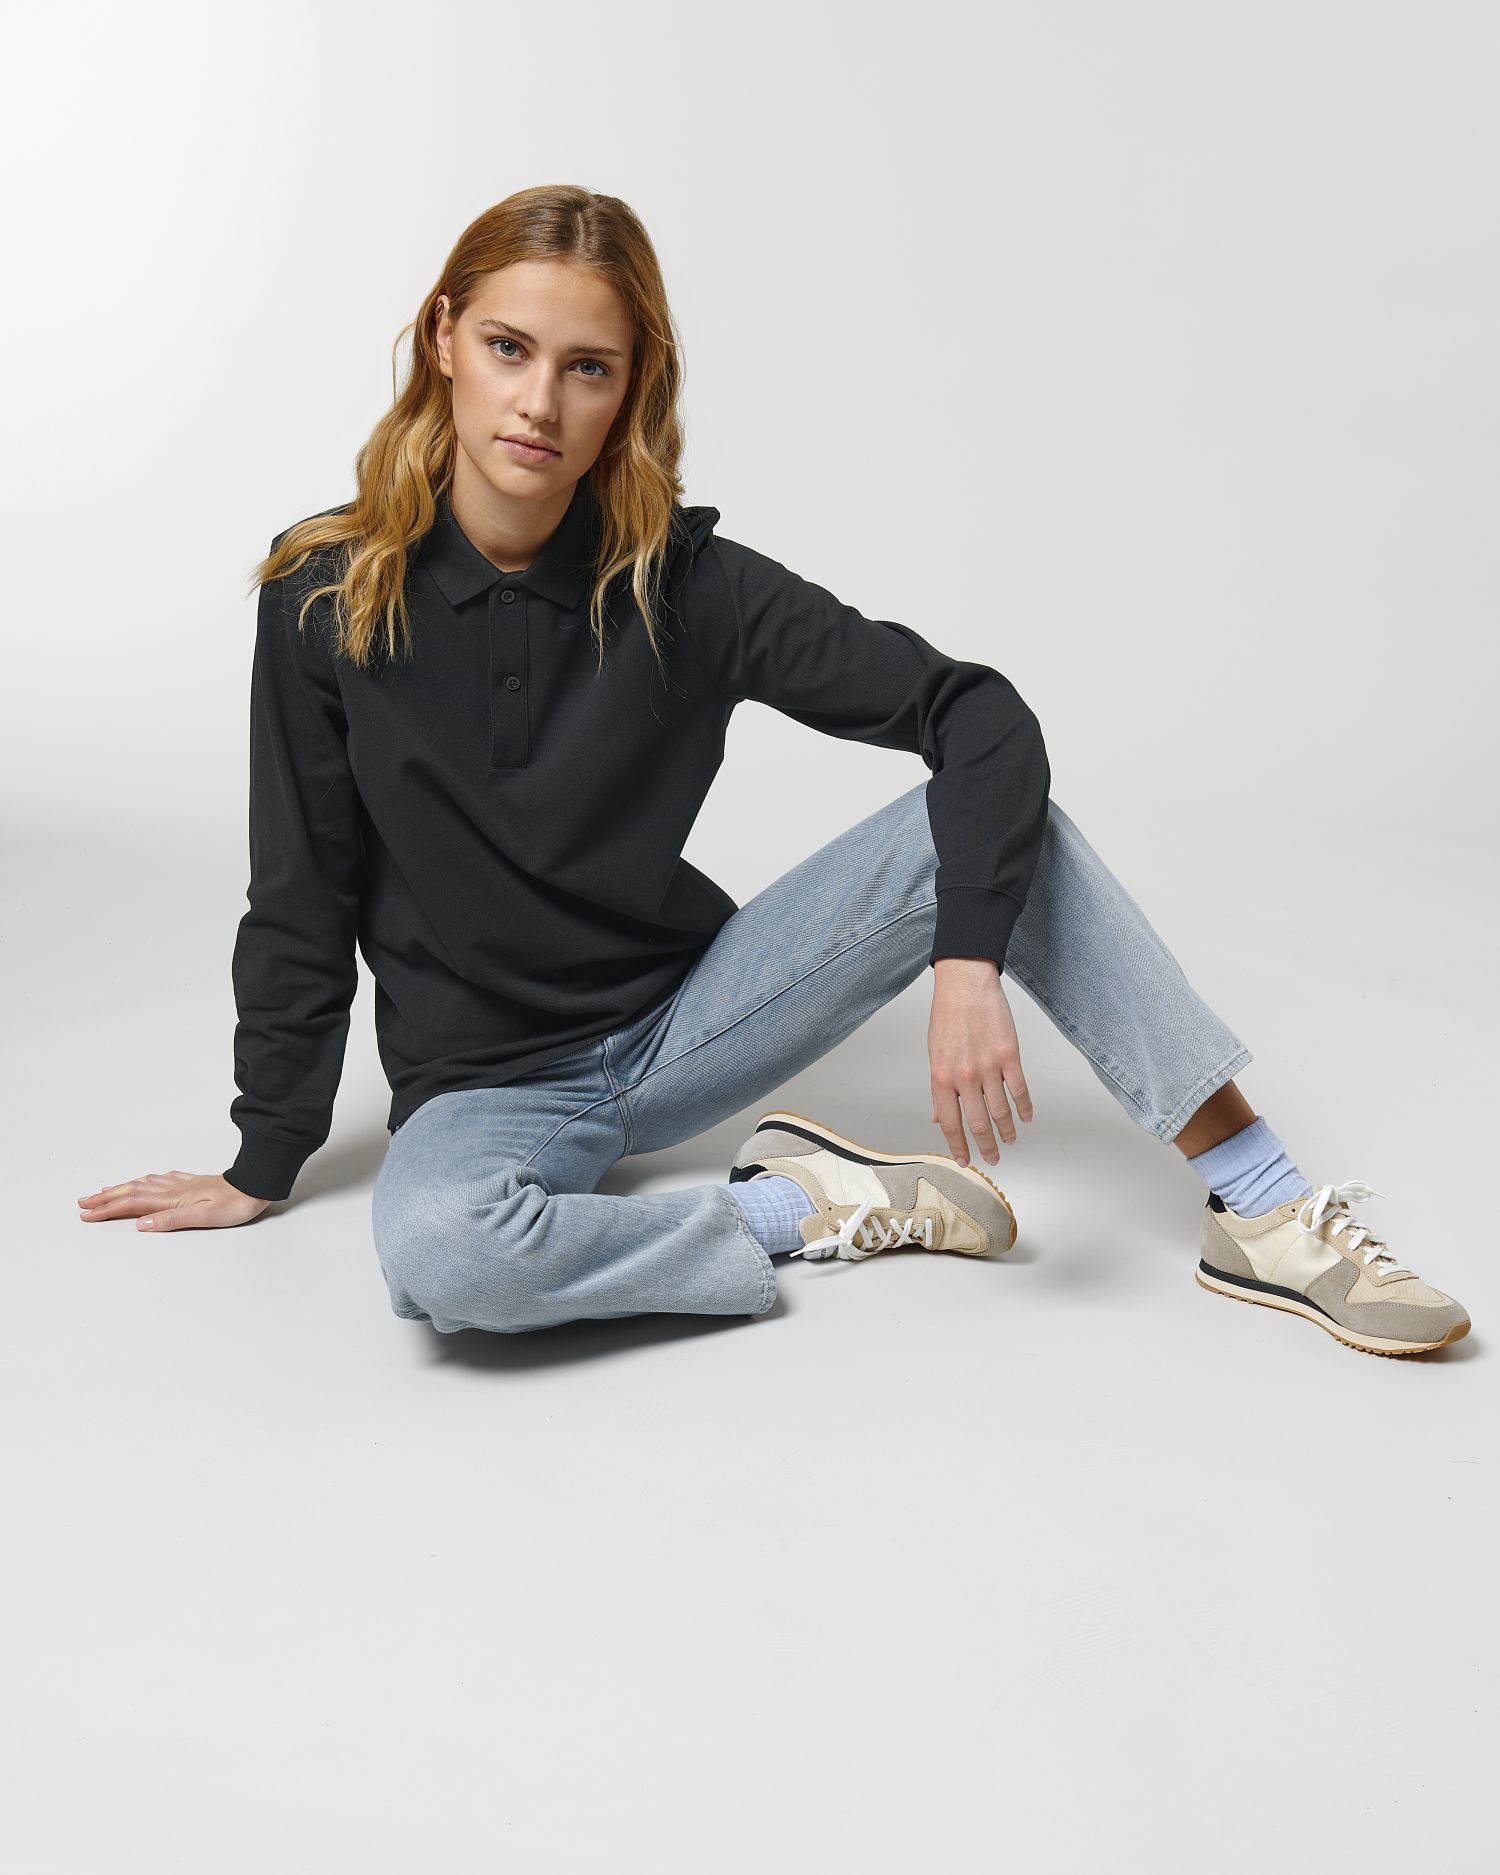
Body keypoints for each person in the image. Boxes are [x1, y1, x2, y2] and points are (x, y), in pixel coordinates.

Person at [75, 184, 1469, 1359]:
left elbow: (975, 716)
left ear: (630, 392)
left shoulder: (684, 583)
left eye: (588, 367)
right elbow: (301, 889)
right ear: (445, 339)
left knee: (994, 823)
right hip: (484, 1088)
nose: (540, 401)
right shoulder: (325, 595)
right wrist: (264, 1158)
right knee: (446, 1258)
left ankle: (1261, 1205)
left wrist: (967, 957)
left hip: (694, 1020)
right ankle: (811, 1206)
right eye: (509, 347)